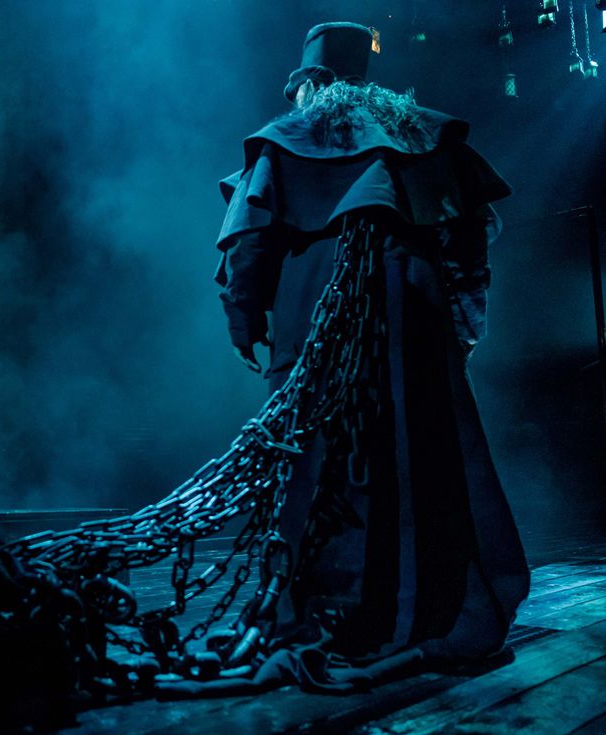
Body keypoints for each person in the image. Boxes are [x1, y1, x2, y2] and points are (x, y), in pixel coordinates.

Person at [211, 22, 530, 689]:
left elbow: (252, 237)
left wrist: (245, 318)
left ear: (308, 82)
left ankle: (327, 606)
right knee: (415, 450)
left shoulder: (290, 141)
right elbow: (466, 242)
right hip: (411, 312)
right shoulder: (413, 134)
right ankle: (426, 602)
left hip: (314, 306)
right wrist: (463, 323)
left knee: (316, 458)